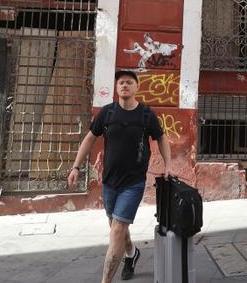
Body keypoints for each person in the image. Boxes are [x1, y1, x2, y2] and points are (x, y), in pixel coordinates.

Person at [69, 70, 173, 282]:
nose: (124, 85)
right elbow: (89, 139)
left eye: (129, 82)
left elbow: (161, 138)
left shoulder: (146, 115)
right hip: (109, 183)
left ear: (136, 87)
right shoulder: (107, 113)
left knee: (116, 231)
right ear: (117, 89)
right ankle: (132, 254)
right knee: (118, 228)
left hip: (133, 184)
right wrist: (76, 167)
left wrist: (168, 165)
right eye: (121, 83)